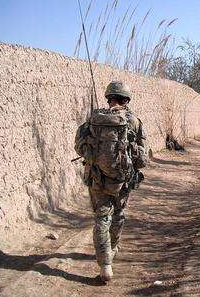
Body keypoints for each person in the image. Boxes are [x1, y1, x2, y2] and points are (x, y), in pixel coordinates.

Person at [74, 81, 147, 282]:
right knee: (119, 215)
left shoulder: (94, 119)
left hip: (97, 179)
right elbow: (143, 159)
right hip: (122, 180)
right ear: (127, 99)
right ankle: (112, 249)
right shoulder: (134, 121)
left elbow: (79, 147)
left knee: (101, 218)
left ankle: (105, 265)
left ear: (109, 98)